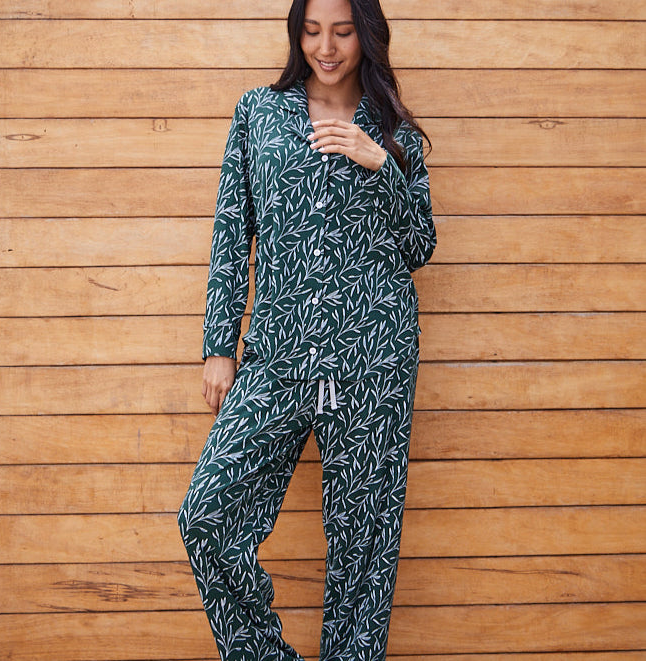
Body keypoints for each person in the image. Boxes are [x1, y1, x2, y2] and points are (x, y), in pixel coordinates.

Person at [177, 0, 436, 658]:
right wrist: (219, 346)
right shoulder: (258, 114)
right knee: (206, 516)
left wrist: (379, 165)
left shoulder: (394, 133)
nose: (326, 47)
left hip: (373, 356)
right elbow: (231, 233)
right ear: (296, 34)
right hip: (278, 356)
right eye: (313, 31)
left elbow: (419, 245)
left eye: (342, 32)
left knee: (363, 551)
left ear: (365, 36)